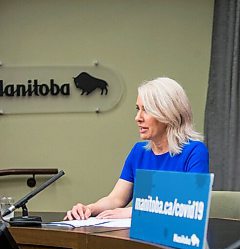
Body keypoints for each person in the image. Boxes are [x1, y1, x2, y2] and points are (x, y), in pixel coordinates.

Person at [66, 77, 209, 220]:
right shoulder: (139, 152)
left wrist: (132, 212)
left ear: (168, 114)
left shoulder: (195, 151)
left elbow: (190, 204)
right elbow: (116, 199)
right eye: (138, 109)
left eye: (146, 110)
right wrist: (89, 209)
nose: (138, 118)